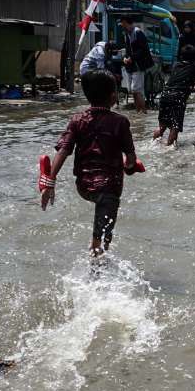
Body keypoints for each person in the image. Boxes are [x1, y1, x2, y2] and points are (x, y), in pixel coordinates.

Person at [41, 70, 140, 256]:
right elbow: (131, 159)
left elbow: (64, 150)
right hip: (109, 187)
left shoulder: (77, 120)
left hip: (84, 186)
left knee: (99, 225)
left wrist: (50, 181)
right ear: (113, 96)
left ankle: (96, 268)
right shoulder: (120, 122)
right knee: (102, 238)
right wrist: (130, 166)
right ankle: (96, 275)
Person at [118, 16, 154, 114]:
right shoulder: (127, 34)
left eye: (122, 24)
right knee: (133, 91)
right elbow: (127, 49)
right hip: (130, 66)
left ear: (126, 22)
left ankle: (144, 112)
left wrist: (131, 58)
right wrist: (125, 57)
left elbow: (143, 50)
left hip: (138, 65)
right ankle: (138, 112)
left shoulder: (138, 33)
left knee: (136, 90)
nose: (122, 26)